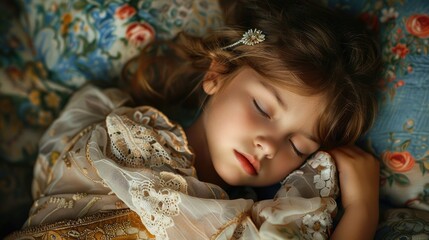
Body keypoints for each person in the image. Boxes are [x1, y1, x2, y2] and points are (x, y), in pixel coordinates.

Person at [7, 0, 381, 239]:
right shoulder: (123, 133)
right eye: (263, 109)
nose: (269, 145)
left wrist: (363, 206)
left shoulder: (255, 217)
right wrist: (362, 213)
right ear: (216, 74)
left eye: (298, 146)